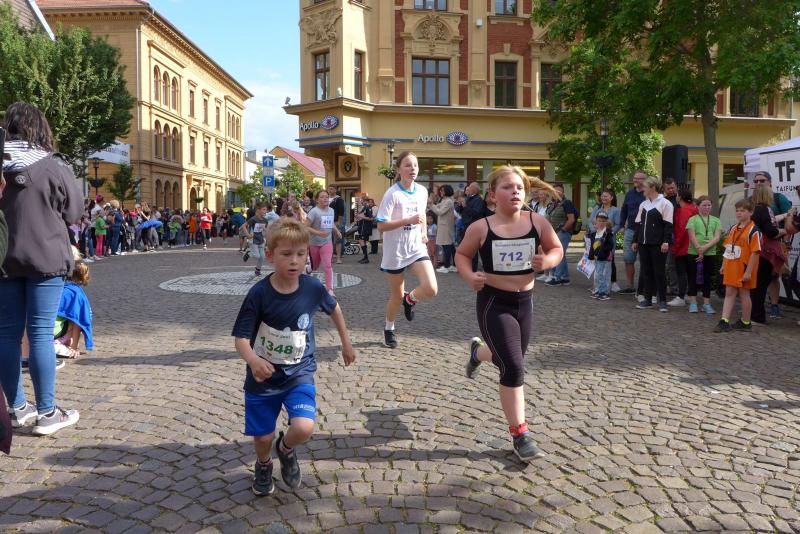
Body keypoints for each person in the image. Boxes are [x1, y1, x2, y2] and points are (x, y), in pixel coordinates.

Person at [231, 218, 356, 496]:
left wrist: (346, 343)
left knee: (303, 427)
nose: (294, 261)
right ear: (270, 255)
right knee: (262, 437)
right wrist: (253, 360)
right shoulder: (259, 294)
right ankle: (264, 464)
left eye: (301, 254)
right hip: (263, 378)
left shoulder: (312, 288)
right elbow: (241, 339)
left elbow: (334, 309)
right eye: (286, 254)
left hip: (299, 372)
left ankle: (285, 449)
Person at [455, 165, 563, 461]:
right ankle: (520, 435)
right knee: (513, 367)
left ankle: (477, 353)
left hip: (524, 302)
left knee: (507, 357)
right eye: (507, 187)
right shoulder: (481, 227)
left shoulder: (537, 221)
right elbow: (462, 254)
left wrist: (548, 261)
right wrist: (469, 276)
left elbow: (556, 249)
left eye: (519, 187)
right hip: (494, 302)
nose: (515, 192)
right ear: (492, 195)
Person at [0, 102, 83, 435]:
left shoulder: (1, 164)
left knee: (7, 334)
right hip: (46, 258)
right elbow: (74, 213)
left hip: (5, 259)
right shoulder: (53, 165)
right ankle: (48, 413)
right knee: (39, 333)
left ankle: (17, 408)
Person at [375, 151, 438, 349]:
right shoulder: (392, 194)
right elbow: (381, 226)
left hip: (416, 247)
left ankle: (410, 300)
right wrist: (407, 221)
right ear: (399, 169)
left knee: (431, 289)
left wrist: (424, 232)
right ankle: (389, 328)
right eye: (408, 165)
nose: (413, 169)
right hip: (395, 251)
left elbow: (421, 215)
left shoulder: (422, 191)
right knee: (396, 296)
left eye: (416, 165)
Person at [715, 199, 761, 332]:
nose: (739, 213)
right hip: (731, 265)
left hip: (745, 267)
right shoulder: (734, 228)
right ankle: (724, 320)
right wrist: (723, 264)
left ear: (751, 212)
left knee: (744, 294)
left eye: (743, 210)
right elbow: (728, 247)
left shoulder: (754, 230)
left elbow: (755, 252)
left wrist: (749, 272)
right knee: (729, 292)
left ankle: (746, 322)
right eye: (737, 210)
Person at [752, 171, 791, 319]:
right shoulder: (757, 205)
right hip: (764, 249)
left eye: (761, 180)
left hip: (772, 246)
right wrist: (781, 230)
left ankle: (771, 307)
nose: (758, 183)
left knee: (772, 277)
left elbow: (787, 221)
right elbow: (770, 229)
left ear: (770, 182)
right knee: (762, 280)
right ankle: (757, 313)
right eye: (756, 181)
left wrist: (785, 241)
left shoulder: (779, 198)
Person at [632, 175, 674, 312]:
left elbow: (668, 225)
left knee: (659, 272)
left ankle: (662, 301)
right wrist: (635, 240)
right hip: (643, 244)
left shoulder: (665, 204)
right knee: (646, 271)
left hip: (658, 244)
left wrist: (666, 241)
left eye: (645, 186)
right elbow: (638, 224)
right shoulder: (643, 204)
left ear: (653, 188)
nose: (642, 188)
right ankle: (648, 299)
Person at [685, 196, 722, 314]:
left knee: (707, 278)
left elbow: (717, 237)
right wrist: (699, 249)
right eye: (704, 205)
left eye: (709, 205)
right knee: (693, 277)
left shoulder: (716, 220)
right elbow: (691, 236)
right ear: (697, 206)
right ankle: (693, 302)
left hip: (710, 253)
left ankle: (706, 304)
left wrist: (705, 248)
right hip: (693, 252)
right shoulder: (693, 219)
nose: (707, 207)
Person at [53, 259, 94, 359]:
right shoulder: (76, 293)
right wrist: (74, 347)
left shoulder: (58, 285)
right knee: (76, 317)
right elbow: (77, 321)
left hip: (40, 327)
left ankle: (64, 340)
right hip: (54, 329)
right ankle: (60, 342)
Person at [667, 189, 698, 307]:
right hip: (693, 246)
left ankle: (681, 297)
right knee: (690, 273)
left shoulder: (683, 211)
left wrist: (675, 247)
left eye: (677, 195)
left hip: (684, 247)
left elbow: (681, 231)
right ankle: (690, 296)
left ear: (679, 197)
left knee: (681, 273)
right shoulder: (694, 209)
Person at [588, 188, 622, 292]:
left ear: (611, 198)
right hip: (597, 238)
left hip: (608, 239)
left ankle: (613, 282)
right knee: (598, 260)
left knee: (609, 260)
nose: (603, 198)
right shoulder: (597, 208)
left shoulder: (615, 210)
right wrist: (594, 231)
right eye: (602, 196)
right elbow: (590, 221)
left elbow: (618, 224)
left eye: (606, 196)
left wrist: (609, 232)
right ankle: (598, 285)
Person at [619, 171, 647, 295]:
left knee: (644, 260)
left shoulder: (648, 194)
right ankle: (630, 286)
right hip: (630, 230)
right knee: (628, 259)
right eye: (635, 178)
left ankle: (644, 287)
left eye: (639, 178)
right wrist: (621, 225)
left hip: (644, 231)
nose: (635, 180)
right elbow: (624, 210)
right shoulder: (629, 194)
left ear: (645, 180)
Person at [544, 183, 577, 287]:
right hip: (554, 233)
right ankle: (565, 278)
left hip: (563, 233)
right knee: (560, 255)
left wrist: (563, 229)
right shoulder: (553, 203)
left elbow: (571, 219)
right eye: (554, 191)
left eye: (559, 191)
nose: (556, 193)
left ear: (563, 192)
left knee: (559, 254)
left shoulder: (567, 203)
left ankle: (557, 278)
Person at [305, 190, 336, 293]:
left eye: (326, 197)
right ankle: (309, 269)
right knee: (315, 266)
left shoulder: (331, 210)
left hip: (327, 242)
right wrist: (319, 233)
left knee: (327, 265)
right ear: (317, 200)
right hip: (314, 243)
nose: (325, 199)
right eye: (322, 197)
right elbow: (305, 226)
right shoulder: (314, 212)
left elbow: (331, 223)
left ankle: (329, 289)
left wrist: (336, 231)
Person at [459, 182, 487, 271]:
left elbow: (476, 213)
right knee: (467, 247)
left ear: (475, 189)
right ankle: (467, 266)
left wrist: (465, 206)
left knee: (473, 248)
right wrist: (461, 205)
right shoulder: (469, 198)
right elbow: (462, 211)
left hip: (473, 226)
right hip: (466, 225)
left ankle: (473, 269)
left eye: (470, 188)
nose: (468, 189)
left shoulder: (478, 200)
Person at [588, 211, 616, 300]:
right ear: (596, 221)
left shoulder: (608, 233)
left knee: (605, 275)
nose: (601, 223)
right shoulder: (594, 234)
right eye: (599, 221)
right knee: (598, 275)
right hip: (597, 258)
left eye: (603, 221)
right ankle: (599, 290)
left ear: (606, 222)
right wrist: (591, 256)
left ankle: (605, 292)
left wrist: (603, 253)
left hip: (605, 258)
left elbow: (610, 245)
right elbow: (592, 246)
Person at [429, 184, 456, 274]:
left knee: (447, 246)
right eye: (440, 190)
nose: (441, 192)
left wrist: (431, 204)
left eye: (442, 190)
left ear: (447, 191)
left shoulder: (448, 201)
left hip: (446, 226)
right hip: (444, 226)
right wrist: (432, 204)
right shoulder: (445, 200)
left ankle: (447, 266)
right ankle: (452, 265)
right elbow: (437, 207)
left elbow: (439, 212)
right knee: (449, 246)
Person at [243, 202, 271, 277]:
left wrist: (266, 230)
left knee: (262, 257)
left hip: (261, 240)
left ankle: (257, 270)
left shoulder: (265, 220)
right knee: (257, 256)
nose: (265, 211)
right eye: (264, 209)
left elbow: (266, 230)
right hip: (253, 240)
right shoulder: (253, 219)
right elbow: (243, 226)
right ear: (258, 210)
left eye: (266, 210)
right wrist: (248, 235)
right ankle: (249, 253)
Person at [328, 186, 346, 264]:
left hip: (335, 222)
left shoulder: (338, 199)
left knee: (337, 240)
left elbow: (341, 211)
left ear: (335, 190)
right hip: (326, 221)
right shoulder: (326, 198)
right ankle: (330, 257)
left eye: (331, 189)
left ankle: (338, 258)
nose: (329, 190)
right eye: (329, 189)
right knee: (328, 240)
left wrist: (339, 222)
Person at [355, 196, 374, 264]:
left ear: (364, 201)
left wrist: (362, 217)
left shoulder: (368, 208)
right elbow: (360, 215)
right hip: (362, 227)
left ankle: (366, 258)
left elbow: (371, 218)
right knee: (363, 241)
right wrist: (358, 216)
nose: (361, 202)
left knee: (361, 240)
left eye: (361, 200)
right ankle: (365, 257)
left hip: (365, 228)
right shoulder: (364, 207)